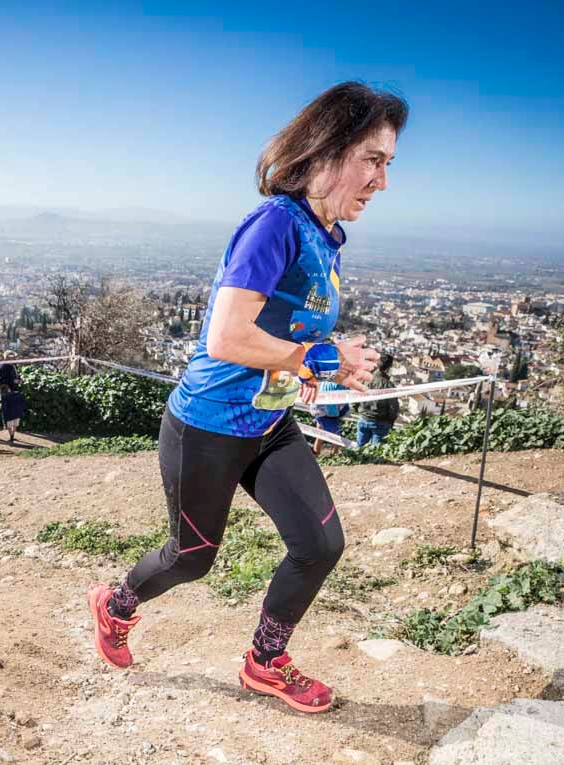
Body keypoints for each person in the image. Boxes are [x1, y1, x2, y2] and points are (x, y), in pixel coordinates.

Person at [86, 82, 401, 714]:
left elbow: (282, 333)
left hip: (268, 421)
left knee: (320, 546)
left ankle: (265, 661)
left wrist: (330, 360)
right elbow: (227, 336)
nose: (382, 181)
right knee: (193, 558)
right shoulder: (274, 226)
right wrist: (320, 357)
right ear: (325, 151)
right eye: (372, 159)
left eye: (388, 163)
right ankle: (116, 605)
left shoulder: (324, 233)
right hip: (206, 427)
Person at [355, 354, 400, 447]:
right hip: (380, 421)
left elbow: (355, 396)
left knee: (359, 448)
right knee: (376, 451)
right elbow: (393, 406)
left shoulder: (365, 379)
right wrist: (391, 420)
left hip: (363, 418)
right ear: (389, 367)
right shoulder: (388, 385)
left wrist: (358, 410)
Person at [310, 380, 350, 456]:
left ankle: (316, 453)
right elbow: (344, 397)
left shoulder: (326, 378)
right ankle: (334, 455)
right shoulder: (341, 383)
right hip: (328, 411)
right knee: (336, 436)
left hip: (317, 409)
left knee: (320, 432)